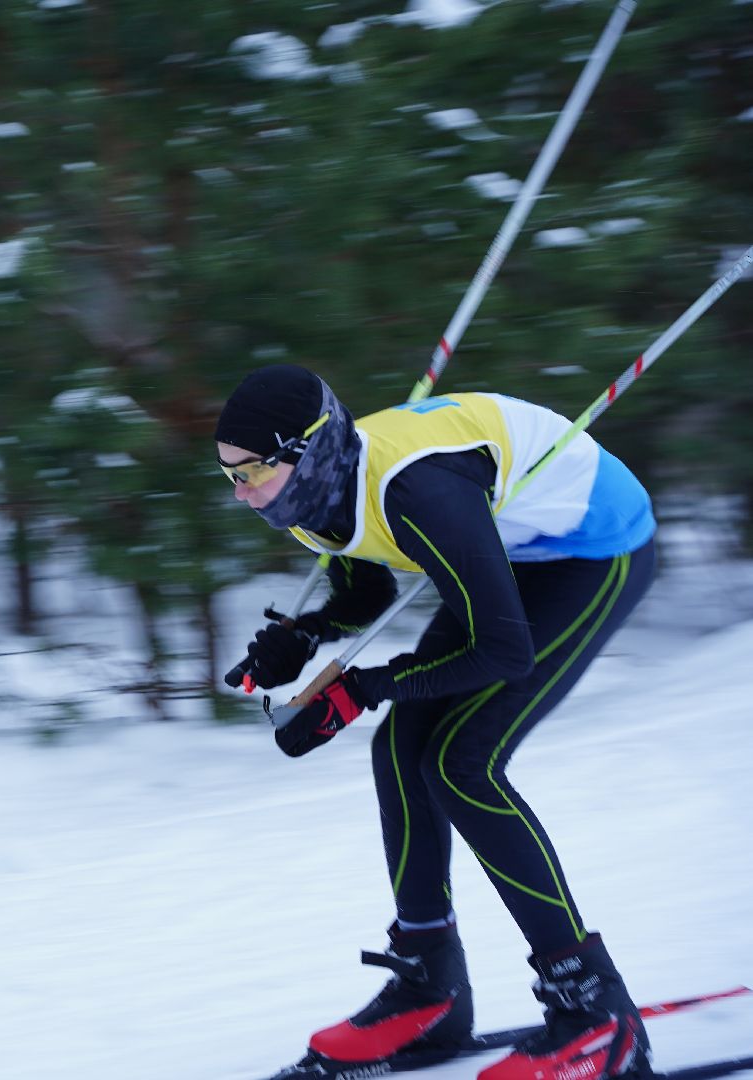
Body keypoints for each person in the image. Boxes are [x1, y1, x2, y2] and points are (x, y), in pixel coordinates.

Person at [216, 364, 657, 1079]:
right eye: (229, 474)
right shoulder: (311, 495)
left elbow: (505, 651)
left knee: (463, 764)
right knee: (401, 747)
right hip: (508, 550)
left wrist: (363, 688)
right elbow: (367, 588)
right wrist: (303, 635)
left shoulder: (419, 494)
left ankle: (595, 1010)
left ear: (310, 447)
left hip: (593, 549)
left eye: (253, 470)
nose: (242, 492)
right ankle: (431, 986)